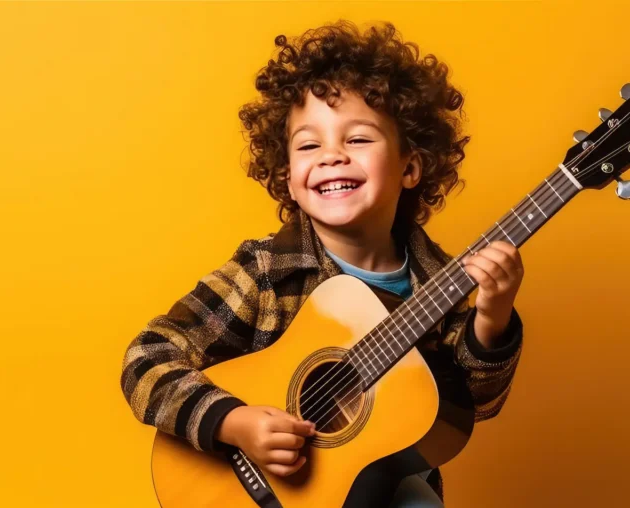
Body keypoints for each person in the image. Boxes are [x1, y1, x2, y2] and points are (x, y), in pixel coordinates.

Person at [120, 20, 524, 507]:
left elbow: (474, 404)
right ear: (289, 178)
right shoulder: (268, 271)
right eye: (309, 145)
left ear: (410, 167)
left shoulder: (442, 282)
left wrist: (493, 315)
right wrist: (234, 423)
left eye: (357, 140)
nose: (331, 156)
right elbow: (147, 357)